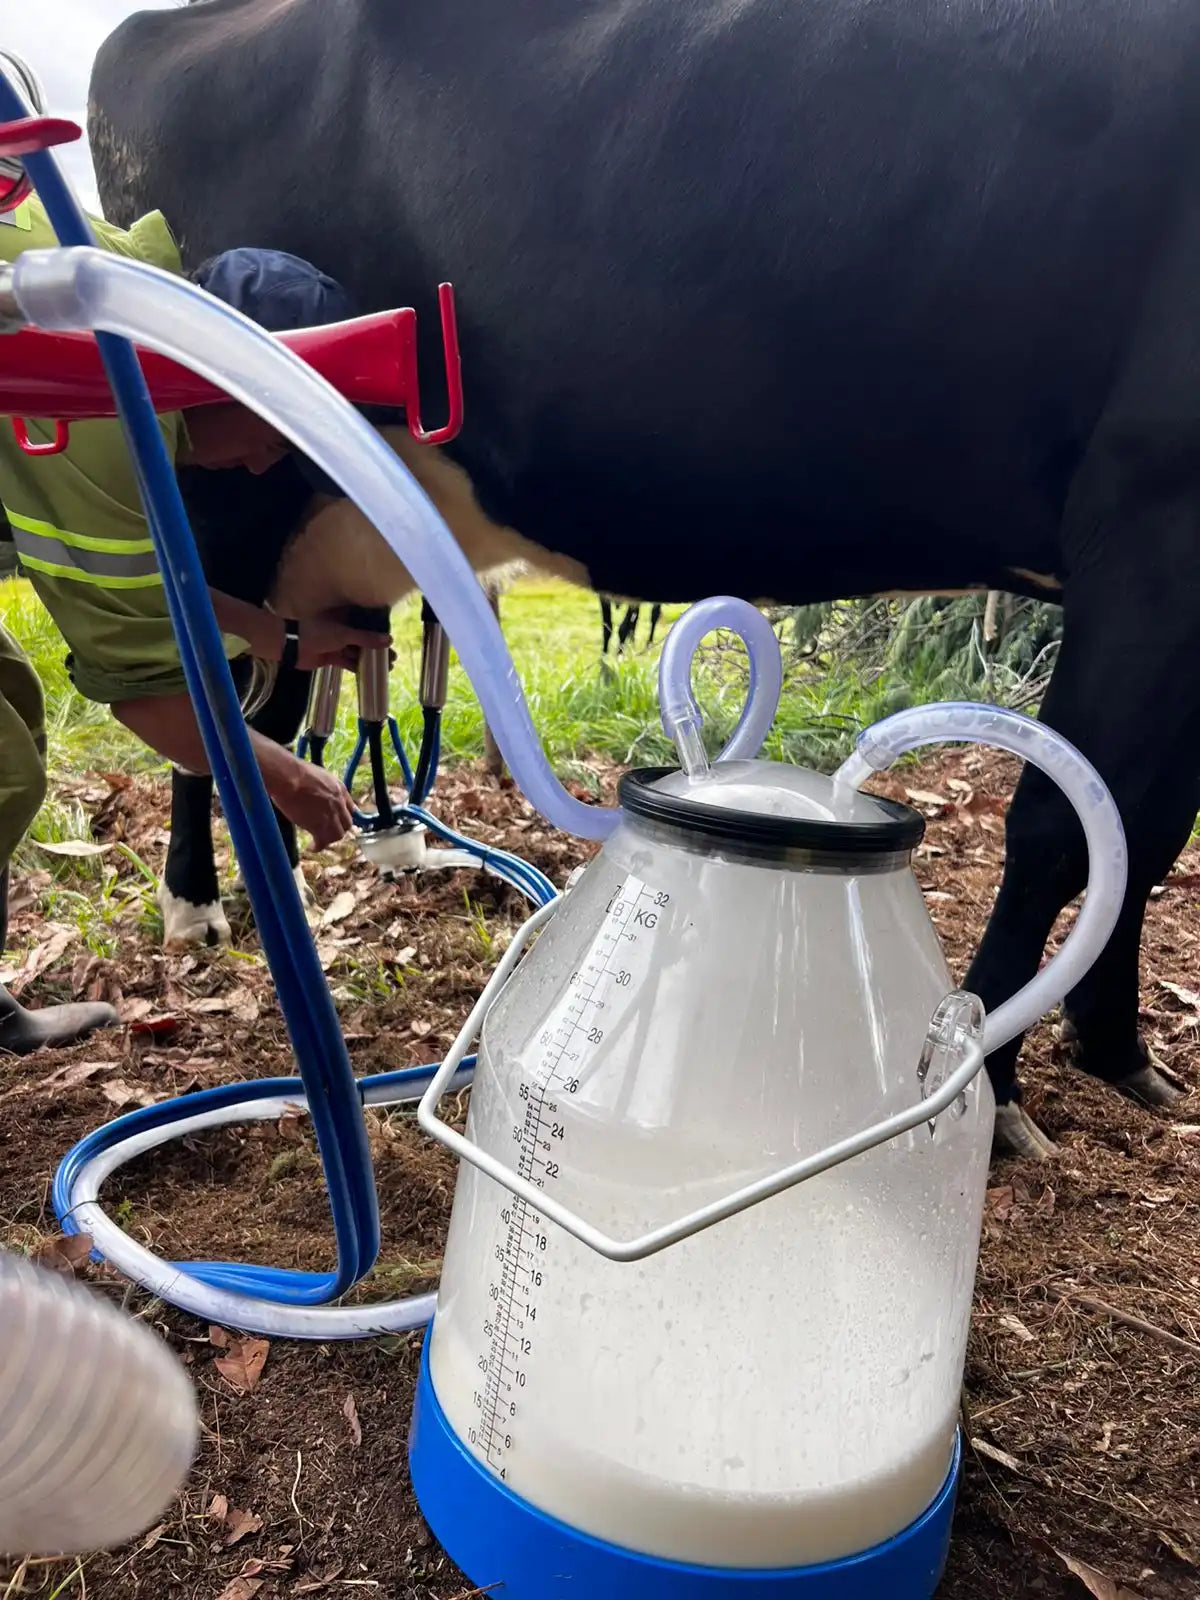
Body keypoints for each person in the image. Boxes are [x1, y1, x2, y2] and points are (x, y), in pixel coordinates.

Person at [0, 195, 389, 1051]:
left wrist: (277, 635)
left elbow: (142, 584)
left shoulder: (128, 291)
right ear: (221, 375)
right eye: (275, 434)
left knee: (11, 704)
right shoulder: (98, 404)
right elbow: (143, 692)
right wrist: (291, 780)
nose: (260, 464)